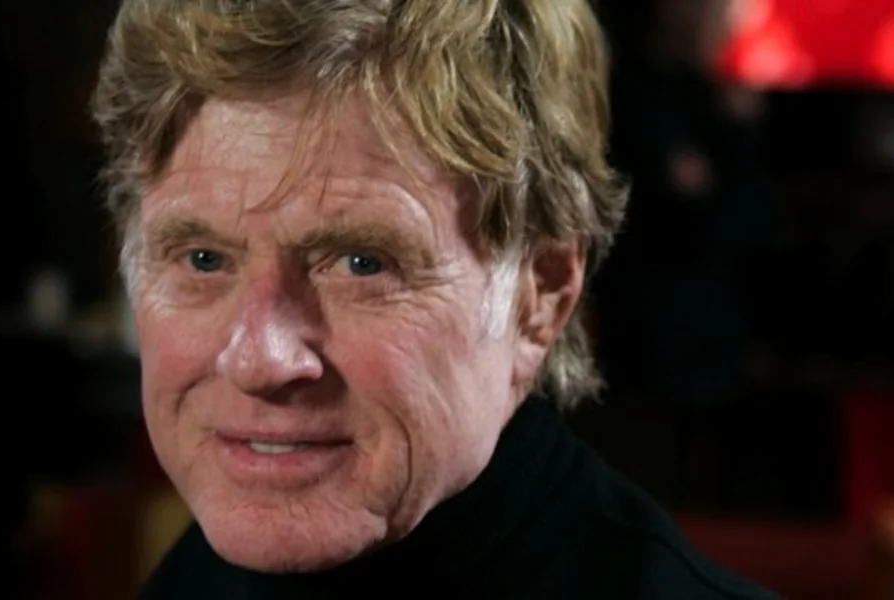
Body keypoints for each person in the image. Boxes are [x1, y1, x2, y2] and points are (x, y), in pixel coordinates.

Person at [91, 0, 779, 598]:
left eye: (362, 264)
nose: (259, 359)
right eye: (204, 259)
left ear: (540, 293)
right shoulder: (198, 576)